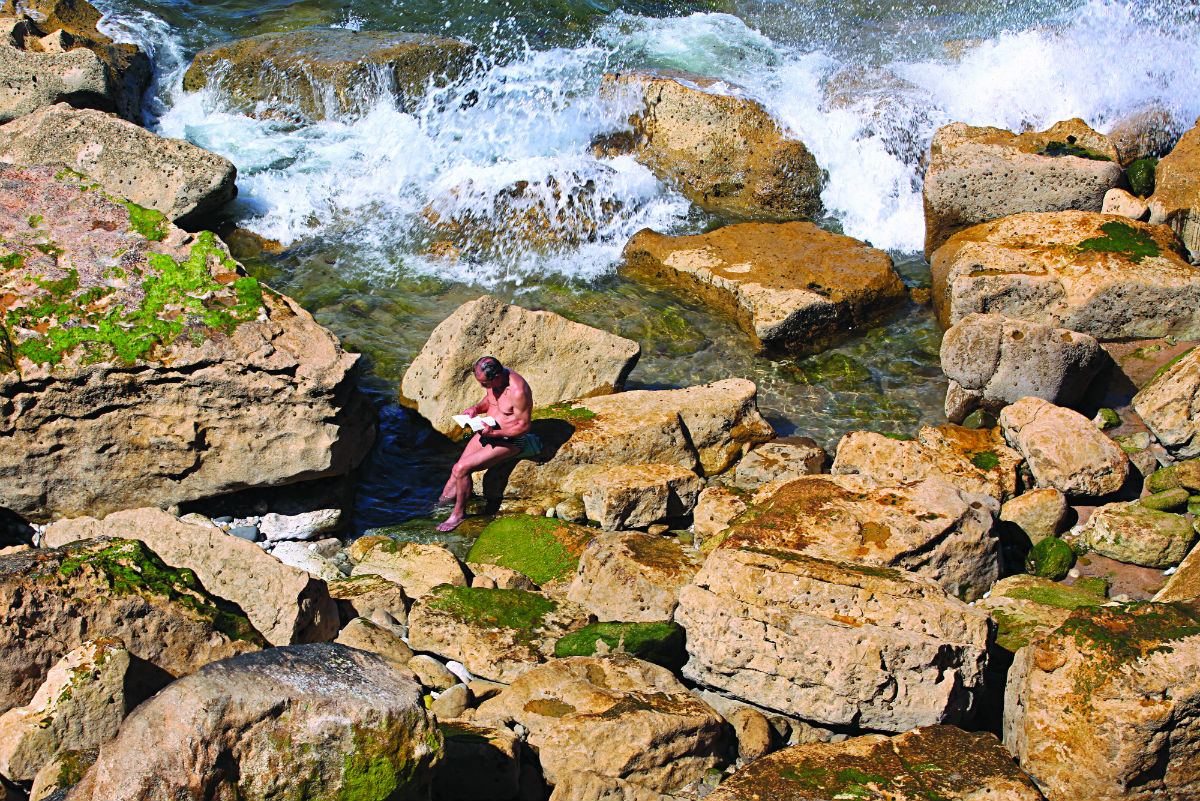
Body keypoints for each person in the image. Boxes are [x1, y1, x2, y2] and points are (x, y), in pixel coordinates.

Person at [437, 356, 536, 532]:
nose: (483, 386)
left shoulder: (517, 391)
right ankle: (438, 508)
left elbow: (524, 426)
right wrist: (475, 409)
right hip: (489, 432)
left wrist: (495, 433)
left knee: (462, 468)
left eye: (484, 384)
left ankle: (459, 514)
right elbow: (489, 401)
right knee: (455, 473)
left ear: (497, 376)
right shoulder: (494, 383)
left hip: (509, 440)